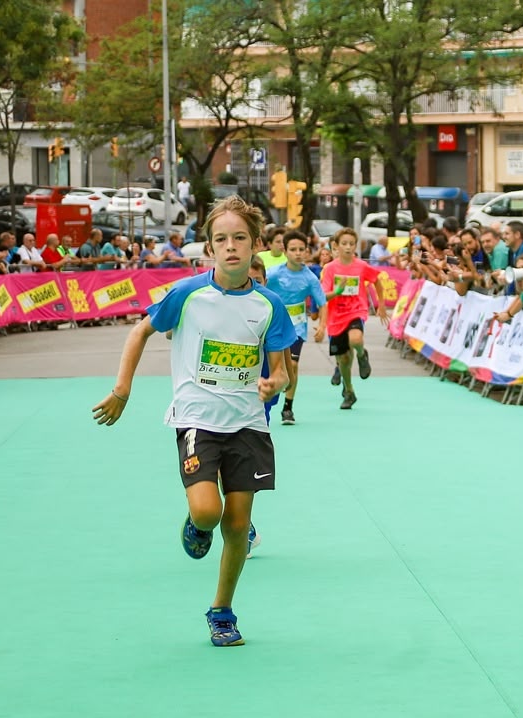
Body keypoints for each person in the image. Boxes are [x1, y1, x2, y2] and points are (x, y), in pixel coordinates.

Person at [91, 195, 295, 647]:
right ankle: (195, 524)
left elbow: (280, 368)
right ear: (209, 248)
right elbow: (139, 331)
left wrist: (275, 384)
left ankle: (221, 610)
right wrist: (122, 389)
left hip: (248, 425)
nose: (231, 247)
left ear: (255, 243)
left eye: (239, 238)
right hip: (198, 421)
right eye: (221, 239)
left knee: (239, 525)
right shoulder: (188, 294)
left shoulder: (268, 305)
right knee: (208, 513)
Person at [317, 227, 389, 409]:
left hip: (356, 311)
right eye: (344, 244)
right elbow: (323, 296)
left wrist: (380, 304)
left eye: (351, 244)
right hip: (336, 317)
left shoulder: (361, 266)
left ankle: (362, 354)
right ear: (336, 246)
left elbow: (377, 281)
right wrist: (338, 291)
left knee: (356, 338)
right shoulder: (330, 269)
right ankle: (349, 391)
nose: (348, 247)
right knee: (344, 361)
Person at [264, 229, 327, 424]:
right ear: (285, 251)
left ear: (307, 251)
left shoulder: (310, 278)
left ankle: (288, 408)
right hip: (274, 325)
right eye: (293, 249)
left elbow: (322, 303)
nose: (298, 253)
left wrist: (322, 326)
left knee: (293, 364)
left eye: (301, 249)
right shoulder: (273, 274)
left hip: (297, 327)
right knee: (271, 366)